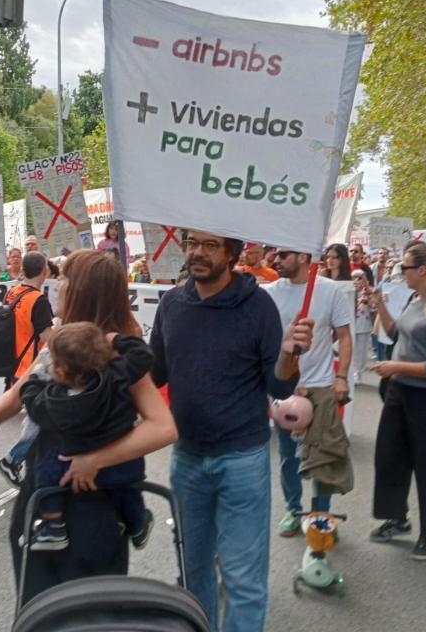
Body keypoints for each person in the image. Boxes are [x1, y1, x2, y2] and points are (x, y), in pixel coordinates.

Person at [0, 249, 177, 604]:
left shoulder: (115, 349)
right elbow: (22, 389)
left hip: (92, 507)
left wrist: (97, 459)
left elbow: (163, 427)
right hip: (39, 497)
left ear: (83, 289)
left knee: (89, 614)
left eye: (63, 278)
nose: (56, 285)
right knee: (37, 606)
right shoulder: (60, 340)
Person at [149, 230, 313, 632]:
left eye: (209, 246)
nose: (196, 253)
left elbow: (279, 386)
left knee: (243, 581)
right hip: (186, 459)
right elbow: (154, 373)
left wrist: (290, 356)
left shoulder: (258, 306)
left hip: (242, 460)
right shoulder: (171, 304)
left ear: (232, 254)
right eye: (191, 243)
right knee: (192, 575)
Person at [20, 322, 155, 551]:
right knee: (128, 491)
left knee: (45, 467)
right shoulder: (117, 376)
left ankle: (54, 525)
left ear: (60, 372)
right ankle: (137, 524)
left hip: (72, 471)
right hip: (122, 466)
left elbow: (32, 402)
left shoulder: (55, 401)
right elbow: (143, 355)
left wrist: (35, 379)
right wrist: (117, 340)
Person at [368, 242, 426, 560]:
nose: (401, 273)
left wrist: (395, 366)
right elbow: (398, 334)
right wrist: (379, 306)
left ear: (422, 270)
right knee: (390, 457)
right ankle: (398, 518)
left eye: (405, 268)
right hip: (399, 393)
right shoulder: (414, 299)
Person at [265, 249, 353, 536]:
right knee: (289, 457)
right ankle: (293, 509)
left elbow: (344, 336)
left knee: (323, 457)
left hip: (321, 388)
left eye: (282, 254)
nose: (275, 259)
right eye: (273, 254)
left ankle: (320, 518)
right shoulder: (267, 293)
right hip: (286, 389)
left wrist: (341, 377)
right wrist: (284, 378)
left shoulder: (330, 291)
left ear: (303, 256)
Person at [0, 252, 55, 486]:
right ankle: (13, 459)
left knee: (35, 417)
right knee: (38, 419)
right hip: (31, 366)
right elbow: (47, 336)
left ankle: (27, 464)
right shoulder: (38, 300)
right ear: (45, 271)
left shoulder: (14, 291)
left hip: (16, 364)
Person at [351, 269, 374, 383]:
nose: (357, 280)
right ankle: (352, 372)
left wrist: (368, 300)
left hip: (364, 325)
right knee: (352, 350)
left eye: (360, 278)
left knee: (362, 350)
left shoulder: (369, 292)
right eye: (354, 277)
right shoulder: (349, 291)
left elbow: (374, 306)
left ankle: (358, 372)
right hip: (351, 324)